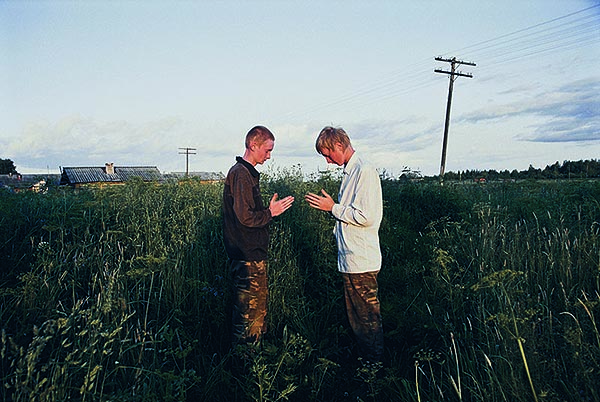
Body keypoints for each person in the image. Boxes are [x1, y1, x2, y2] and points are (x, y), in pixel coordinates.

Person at [305, 126, 384, 361]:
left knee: (367, 321)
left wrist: (333, 208)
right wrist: (335, 208)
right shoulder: (351, 172)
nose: (328, 161)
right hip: (351, 259)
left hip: (361, 261)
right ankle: (367, 364)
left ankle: (374, 369)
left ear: (339, 145)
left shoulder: (364, 171)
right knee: (358, 320)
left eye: (328, 155)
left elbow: (366, 216)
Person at [223, 125, 295, 346]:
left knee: (256, 312)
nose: (269, 156)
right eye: (267, 150)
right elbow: (245, 217)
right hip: (246, 256)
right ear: (253, 145)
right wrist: (270, 213)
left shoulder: (246, 173)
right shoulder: (240, 174)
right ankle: (244, 361)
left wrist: (268, 212)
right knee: (248, 316)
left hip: (251, 254)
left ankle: (254, 356)